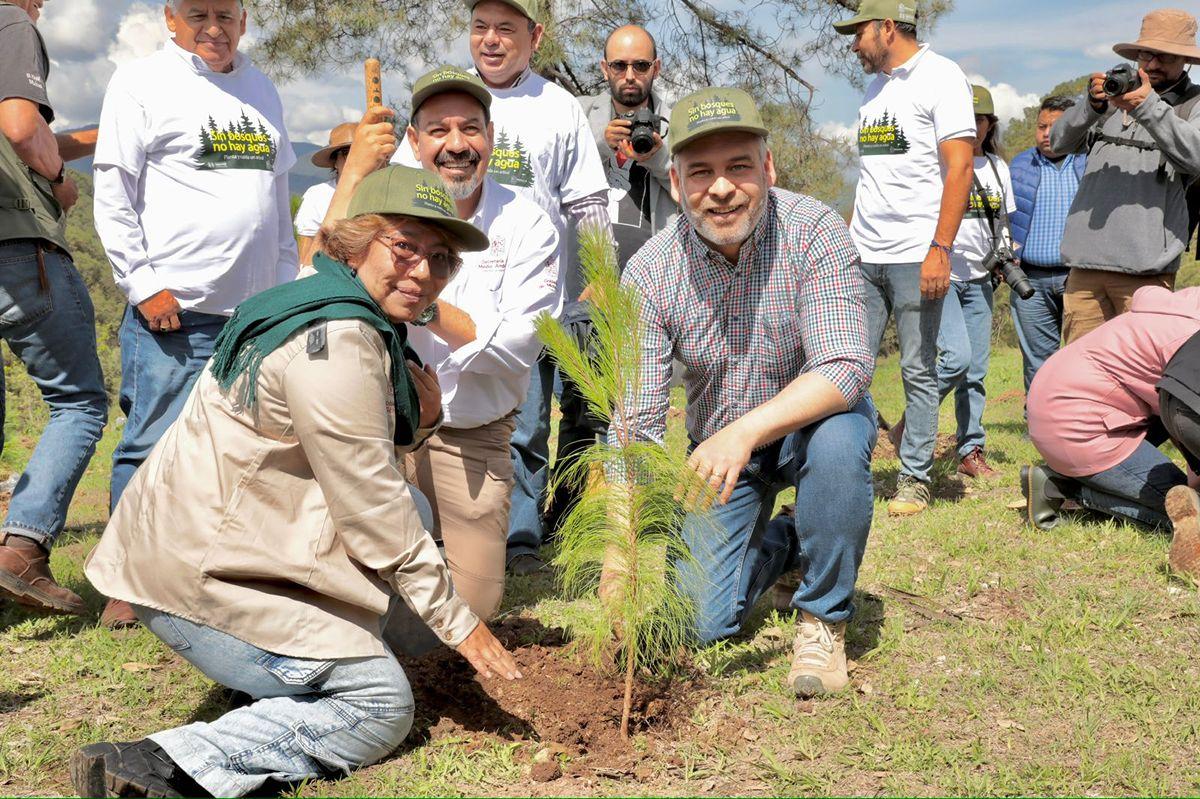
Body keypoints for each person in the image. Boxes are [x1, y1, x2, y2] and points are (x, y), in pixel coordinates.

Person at [74, 164, 521, 798]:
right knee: (379, 704)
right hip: (195, 575)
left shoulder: (322, 295)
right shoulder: (337, 339)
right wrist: (462, 626)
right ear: (357, 242)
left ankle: (273, 677)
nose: (423, 272)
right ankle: (162, 763)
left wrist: (416, 423)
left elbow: (365, 479)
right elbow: (370, 504)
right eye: (405, 247)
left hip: (216, 539)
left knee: (416, 510)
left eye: (441, 259)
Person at [614, 87, 876, 698]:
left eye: (739, 167)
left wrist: (744, 431)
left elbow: (844, 366)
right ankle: (785, 543)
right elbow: (638, 417)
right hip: (720, 456)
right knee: (700, 625)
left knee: (840, 443)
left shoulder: (815, 231)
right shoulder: (650, 272)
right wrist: (620, 548)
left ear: (768, 169)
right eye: (701, 172)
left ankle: (822, 619)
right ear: (676, 184)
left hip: (811, 428)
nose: (722, 188)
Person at [93, 0, 299, 626]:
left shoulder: (261, 88)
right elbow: (112, 191)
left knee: (243, 452)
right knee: (152, 445)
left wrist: (286, 291)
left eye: (226, 14)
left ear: (244, 19)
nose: (214, 27)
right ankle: (126, 585)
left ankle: (219, 576)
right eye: (198, 13)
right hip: (175, 313)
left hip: (255, 315)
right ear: (170, 18)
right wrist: (142, 285)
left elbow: (276, 198)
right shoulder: (140, 83)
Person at [402, 65, 559, 619]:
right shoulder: (384, 207)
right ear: (414, 140)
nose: (456, 145)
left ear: (490, 139)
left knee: (476, 608)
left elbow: (521, 345)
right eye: (438, 130)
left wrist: (416, 300)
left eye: (470, 128)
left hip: (473, 438)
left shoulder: (528, 222)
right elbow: (320, 287)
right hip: (383, 432)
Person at [463, 0, 612, 574]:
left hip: (543, 297)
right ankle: (476, 527)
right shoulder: (449, 98)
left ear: (535, 36)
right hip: (466, 292)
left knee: (531, 424)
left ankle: (521, 539)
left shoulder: (557, 106)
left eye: (506, 29)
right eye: (480, 28)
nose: (492, 40)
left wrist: (599, 277)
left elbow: (587, 200)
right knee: (488, 421)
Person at [834, 0, 976, 516]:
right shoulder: (874, 91)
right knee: (847, 367)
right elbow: (872, 178)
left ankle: (914, 477)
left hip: (917, 254)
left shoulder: (943, 77)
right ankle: (846, 466)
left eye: (859, 33)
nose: (853, 44)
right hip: (864, 255)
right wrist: (848, 241)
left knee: (918, 369)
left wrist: (940, 249)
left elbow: (960, 167)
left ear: (887, 27)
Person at [0, 0, 108, 616]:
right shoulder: (12, 24)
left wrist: (98, 132)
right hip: (19, 249)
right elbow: (20, 128)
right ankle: (22, 548)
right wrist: (61, 175)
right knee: (80, 403)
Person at [1050, 8, 1200, 344]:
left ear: (1185, 61)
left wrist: (1147, 106)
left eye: (1167, 57)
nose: (1153, 64)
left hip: (1146, 272)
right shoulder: (1112, 100)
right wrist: (1091, 106)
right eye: (1147, 54)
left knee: (1140, 375)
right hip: (1084, 269)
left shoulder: (1194, 104)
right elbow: (1057, 142)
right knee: (1081, 373)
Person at [1023, 286, 1200, 534]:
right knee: (1185, 512)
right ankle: (1062, 487)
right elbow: (1186, 413)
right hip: (1076, 424)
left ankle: (1082, 476)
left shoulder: (1178, 312)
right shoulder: (1186, 339)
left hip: (1066, 404)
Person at [934, 85, 1015, 480]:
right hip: (944, 277)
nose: (973, 127)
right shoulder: (940, 165)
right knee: (956, 359)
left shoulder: (999, 169)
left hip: (982, 279)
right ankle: (912, 427)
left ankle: (970, 448)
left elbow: (1003, 221)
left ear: (989, 124)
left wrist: (1006, 257)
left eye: (979, 120)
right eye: (966, 119)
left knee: (976, 372)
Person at [577, 24, 676, 262]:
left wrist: (657, 158)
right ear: (604, 68)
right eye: (619, 65)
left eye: (641, 65)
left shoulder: (677, 122)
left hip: (655, 273)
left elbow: (693, 192)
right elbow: (554, 179)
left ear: (657, 68)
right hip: (588, 274)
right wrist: (601, 144)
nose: (629, 76)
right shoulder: (578, 112)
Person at [1007, 96, 1086, 394]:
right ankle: (1039, 424)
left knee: (1083, 355)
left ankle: (1081, 422)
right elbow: (1002, 216)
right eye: (1041, 126)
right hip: (1030, 281)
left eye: (1056, 126)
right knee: (1038, 361)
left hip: (1079, 278)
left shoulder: (1088, 161)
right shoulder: (1020, 165)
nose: (1046, 133)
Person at [295, 121, 356, 263]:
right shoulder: (317, 195)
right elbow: (306, 252)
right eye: (347, 153)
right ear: (335, 161)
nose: (355, 157)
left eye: (360, 151)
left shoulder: (380, 191)